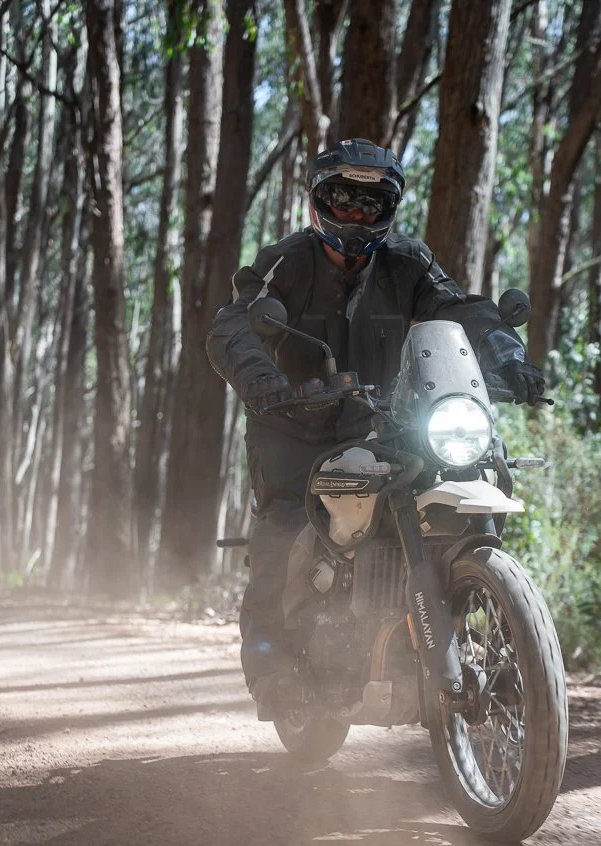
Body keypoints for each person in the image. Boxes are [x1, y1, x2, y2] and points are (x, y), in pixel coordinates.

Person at [206, 137, 544, 715]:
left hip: (379, 424)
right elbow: (233, 324)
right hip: (293, 423)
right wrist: (264, 380)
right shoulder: (287, 261)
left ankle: (474, 622)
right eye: (344, 200)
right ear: (319, 202)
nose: (358, 215)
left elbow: (457, 308)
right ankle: (273, 670)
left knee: (476, 469)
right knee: (283, 530)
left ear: (388, 209)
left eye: (371, 204)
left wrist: (506, 354)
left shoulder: (408, 263)